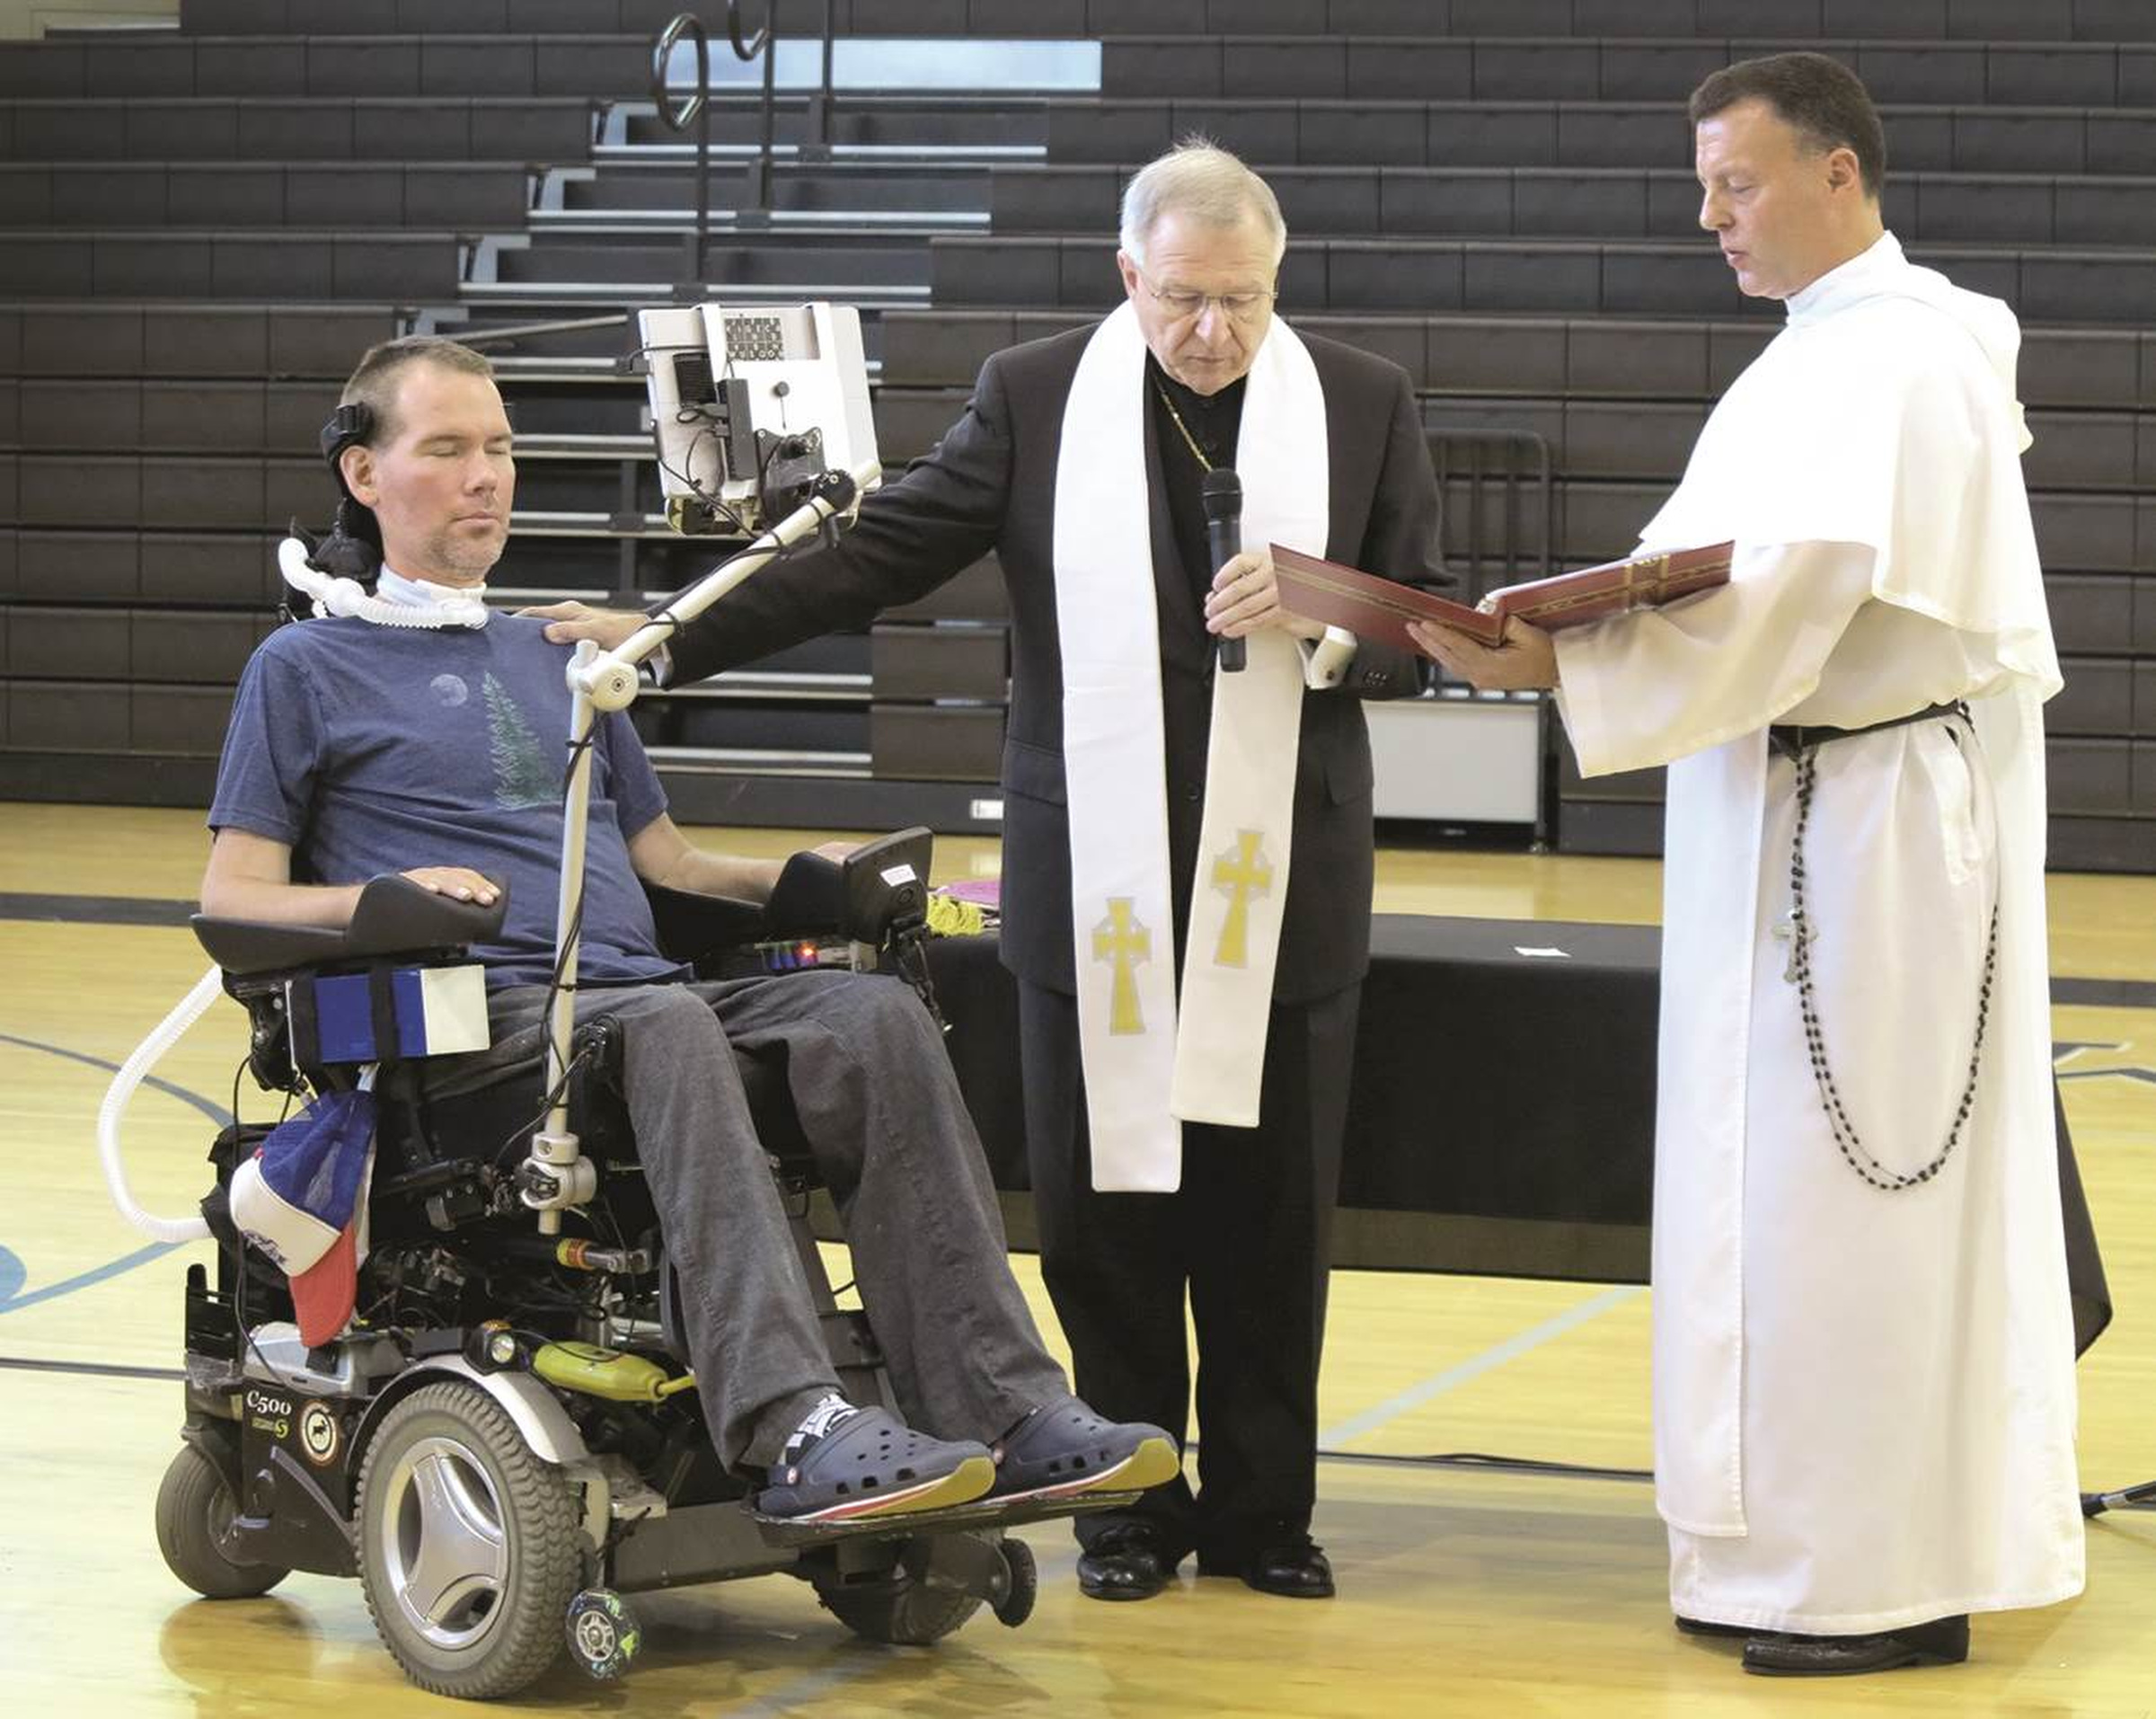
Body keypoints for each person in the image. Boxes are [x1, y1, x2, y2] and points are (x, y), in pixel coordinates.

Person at [535, 143, 1445, 1599]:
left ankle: (1270, 1510)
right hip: (1092, 873)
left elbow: (1424, 620)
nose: (1213, 332)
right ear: (1125, 274)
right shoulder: (1034, 394)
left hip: (1286, 873)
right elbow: (873, 558)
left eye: (1245, 302)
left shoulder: (1363, 397)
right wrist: (669, 634)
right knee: (1104, 1205)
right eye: (1185, 300)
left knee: (1276, 1211)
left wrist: (1332, 607)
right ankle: (1129, 1504)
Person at [202, 334, 1179, 1526]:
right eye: (447, 449)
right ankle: (796, 1424)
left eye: (501, 449)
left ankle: (1008, 1407)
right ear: (364, 475)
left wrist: (830, 883)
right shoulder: (301, 666)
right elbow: (235, 900)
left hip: (631, 992)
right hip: (480, 1035)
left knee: (868, 1013)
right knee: (666, 1024)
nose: (486, 477)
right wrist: (386, 904)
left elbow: (670, 866)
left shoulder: (565, 658)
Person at [1409, 54, 2082, 1676]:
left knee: (1843, 1203)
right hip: (1791, 811)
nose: (1711, 217)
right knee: (1768, 1199)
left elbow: (1799, 586)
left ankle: (1874, 1581)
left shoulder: (1902, 360)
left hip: (1871, 841)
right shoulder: (1816, 357)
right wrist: (1570, 633)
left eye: (1741, 183)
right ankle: (1784, 1557)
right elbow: (1710, 577)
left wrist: (1558, 665)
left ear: (1841, 174)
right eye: (1704, 186)